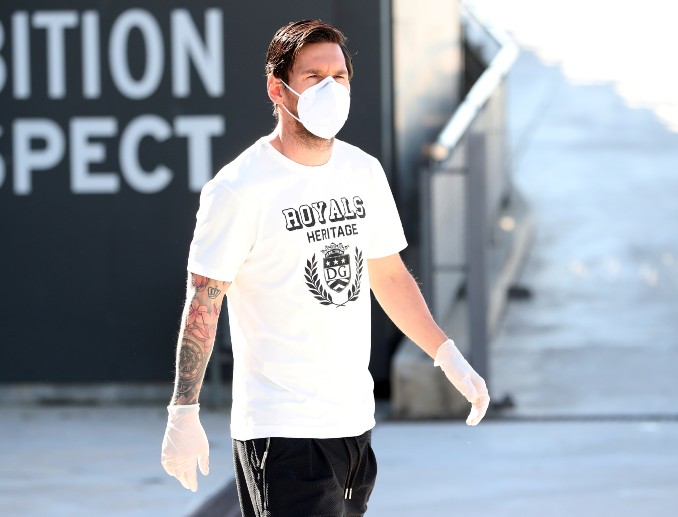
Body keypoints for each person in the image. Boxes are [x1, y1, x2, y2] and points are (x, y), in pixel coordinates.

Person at [161, 19, 490, 517]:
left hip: (354, 426)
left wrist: (448, 356)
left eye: (340, 77)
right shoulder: (239, 189)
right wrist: (183, 412)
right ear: (278, 89)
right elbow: (204, 300)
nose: (330, 89)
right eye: (314, 77)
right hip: (282, 433)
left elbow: (389, 276)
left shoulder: (363, 172)